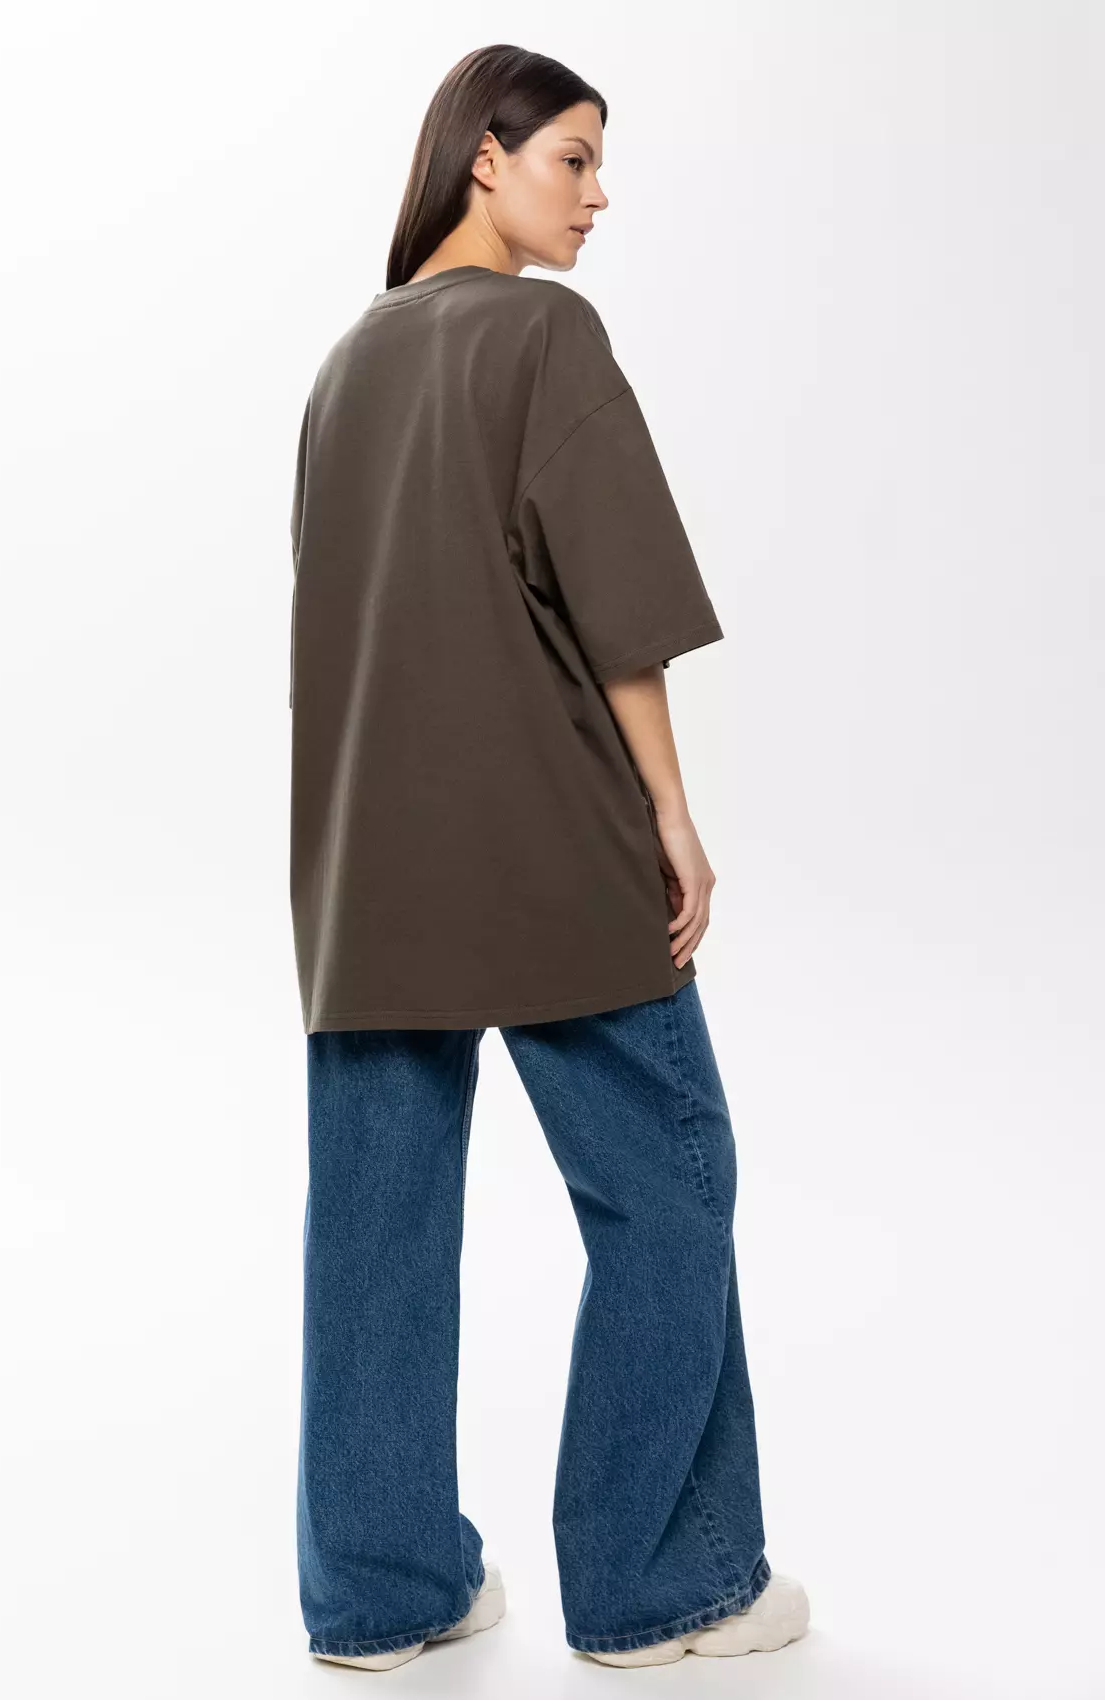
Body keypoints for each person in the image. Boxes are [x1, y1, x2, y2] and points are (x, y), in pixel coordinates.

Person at [287, 43, 811, 1671]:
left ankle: (383, 1597)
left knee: (374, 1236)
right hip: (548, 850)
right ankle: (666, 1587)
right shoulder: (541, 335)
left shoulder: (345, 365)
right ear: (485, 159)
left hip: (370, 876)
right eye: (572, 159)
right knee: (669, 1188)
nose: (596, 196)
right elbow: (619, 612)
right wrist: (672, 815)